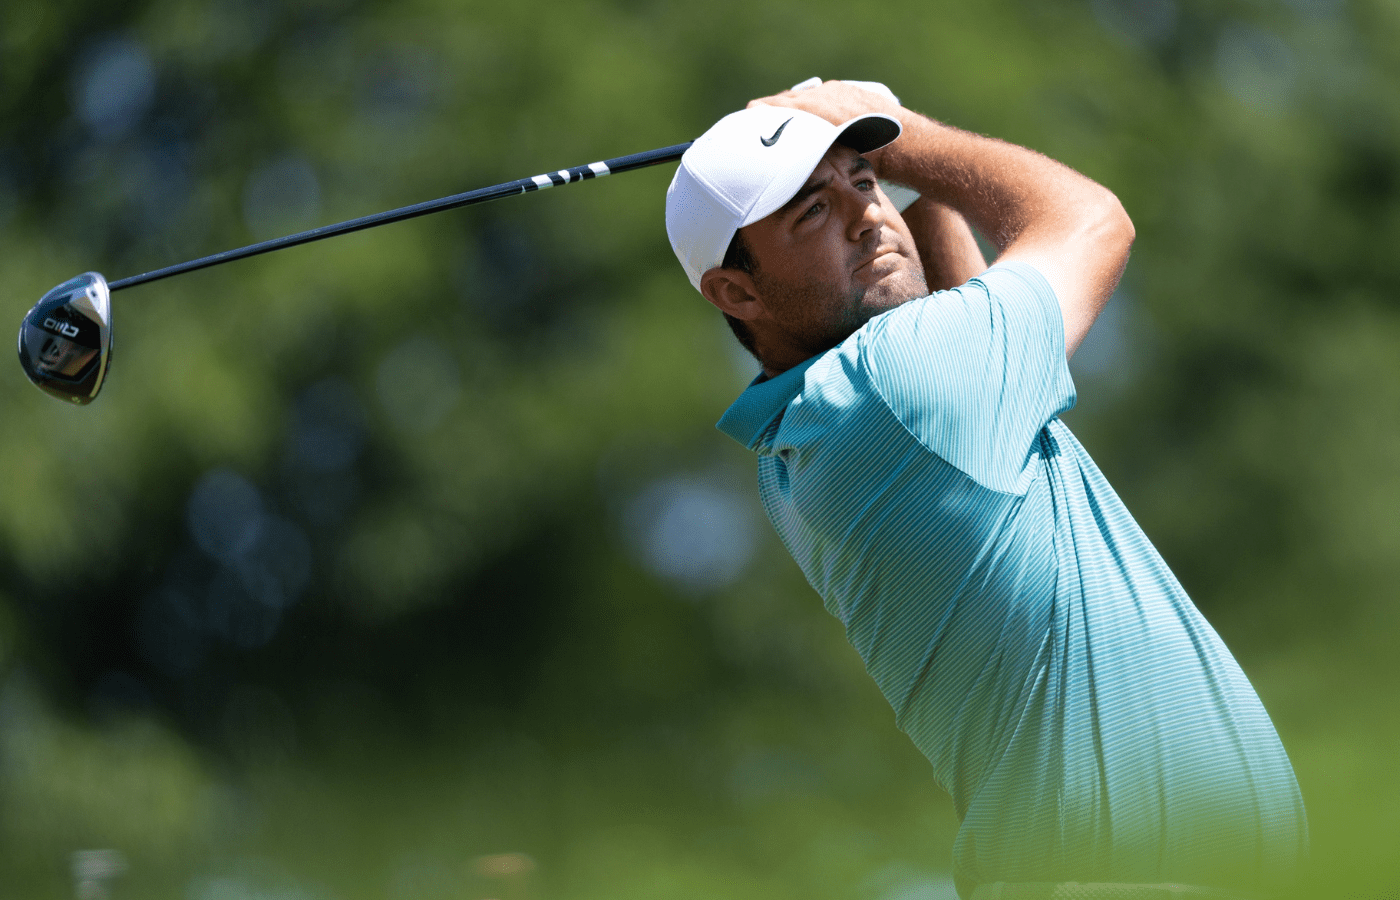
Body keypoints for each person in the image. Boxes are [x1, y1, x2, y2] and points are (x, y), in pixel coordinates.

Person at [663, 80, 1307, 899]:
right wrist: (910, 137)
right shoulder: (898, 385)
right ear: (737, 292)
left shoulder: (807, 435)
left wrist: (902, 177)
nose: (866, 214)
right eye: (811, 213)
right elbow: (1091, 218)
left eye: (862, 182)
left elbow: (957, 310)